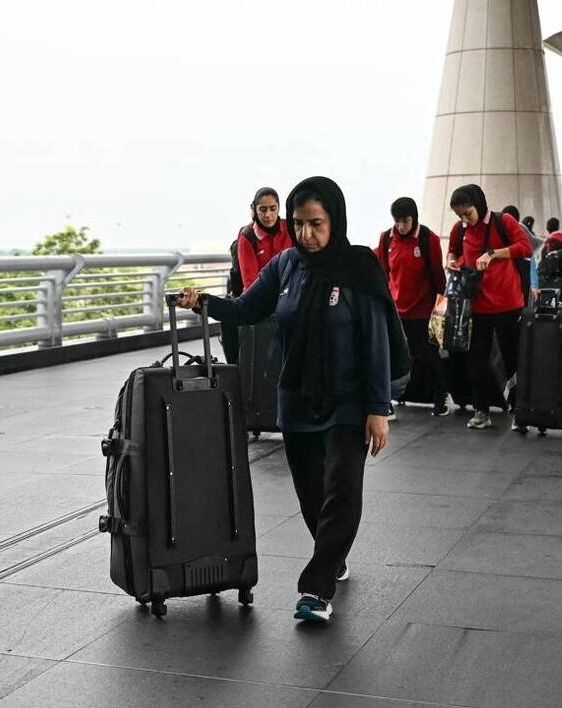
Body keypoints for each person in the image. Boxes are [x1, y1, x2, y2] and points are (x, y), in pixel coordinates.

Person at [176, 176, 409, 624]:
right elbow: (247, 309)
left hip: (348, 401)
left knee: (342, 490)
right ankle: (333, 555)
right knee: (312, 497)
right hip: (297, 398)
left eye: (316, 224)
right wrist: (203, 301)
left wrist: (379, 408)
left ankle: (316, 590)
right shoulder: (285, 265)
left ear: (334, 220)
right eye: (299, 224)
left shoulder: (359, 267)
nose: (306, 234)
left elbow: (376, 340)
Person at [446, 185, 533, 430]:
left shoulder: (501, 221)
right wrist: (452, 262)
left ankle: (519, 411)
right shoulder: (459, 229)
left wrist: (493, 253)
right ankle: (481, 410)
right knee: (476, 360)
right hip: (477, 304)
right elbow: (452, 252)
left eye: (468, 213)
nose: (465, 219)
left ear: (479, 204)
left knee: (512, 359)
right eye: (459, 215)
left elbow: (525, 247)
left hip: (508, 303)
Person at [374, 197, 449, 416]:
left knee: (429, 355)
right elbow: (383, 273)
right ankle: (385, 402)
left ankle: (440, 398)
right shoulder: (386, 239)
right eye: (397, 221)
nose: (401, 226)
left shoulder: (428, 239)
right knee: (388, 356)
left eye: (405, 221)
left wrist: (441, 309)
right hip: (396, 310)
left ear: (414, 218)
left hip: (423, 311)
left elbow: (438, 277)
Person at [236, 187, 292, 290]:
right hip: (261, 297)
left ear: (278, 208)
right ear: (255, 210)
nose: (268, 215)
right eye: (263, 209)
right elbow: (250, 284)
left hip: (289, 292)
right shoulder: (247, 237)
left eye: (273, 208)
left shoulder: (289, 228)